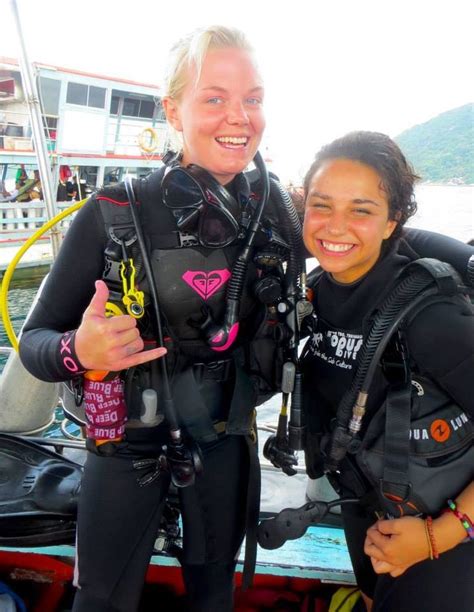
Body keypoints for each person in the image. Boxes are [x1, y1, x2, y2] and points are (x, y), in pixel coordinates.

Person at [19, 25, 296, 612]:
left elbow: (370, 239)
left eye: (253, 98)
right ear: (174, 109)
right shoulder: (115, 211)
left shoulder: (278, 212)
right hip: (124, 448)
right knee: (101, 600)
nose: (239, 116)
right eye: (214, 97)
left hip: (225, 442)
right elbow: (34, 344)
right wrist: (81, 352)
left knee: (213, 598)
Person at [300, 131, 474, 611]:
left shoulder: (430, 315)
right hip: (369, 504)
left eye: (361, 209)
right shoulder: (318, 293)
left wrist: (440, 534)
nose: (335, 227)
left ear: (392, 219)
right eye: (322, 205)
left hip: (443, 535)